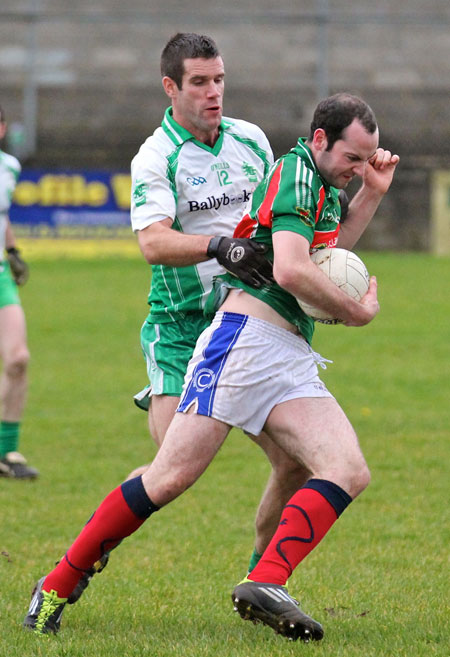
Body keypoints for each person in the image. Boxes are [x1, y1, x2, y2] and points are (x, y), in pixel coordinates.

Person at [23, 93, 398, 641]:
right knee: (169, 477)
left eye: (368, 160)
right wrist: (357, 313)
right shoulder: (295, 173)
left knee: (345, 469)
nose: (359, 169)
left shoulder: (322, 184)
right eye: (354, 159)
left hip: (287, 352)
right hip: (243, 343)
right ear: (320, 140)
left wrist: (371, 191)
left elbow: (327, 252)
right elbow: (294, 272)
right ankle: (59, 581)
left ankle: (265, 581)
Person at [0, 106, 38, 479]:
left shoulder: (8, 167)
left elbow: (2, 214)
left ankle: (6, 452)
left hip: (0, 275)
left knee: (18, 359)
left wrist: (12, 252)